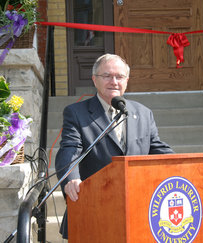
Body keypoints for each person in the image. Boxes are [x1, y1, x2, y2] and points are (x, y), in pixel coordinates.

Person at [55, 54, 174, 239]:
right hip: (93, 209)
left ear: (127, 81)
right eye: (107, 76)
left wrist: (182, 165)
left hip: (137, 212)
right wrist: (71, 179)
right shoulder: (76, 113)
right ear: (94, 80)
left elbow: (155, 147)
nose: (114, 82)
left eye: (119, 77)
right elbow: (70, 150)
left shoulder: (143, 113)